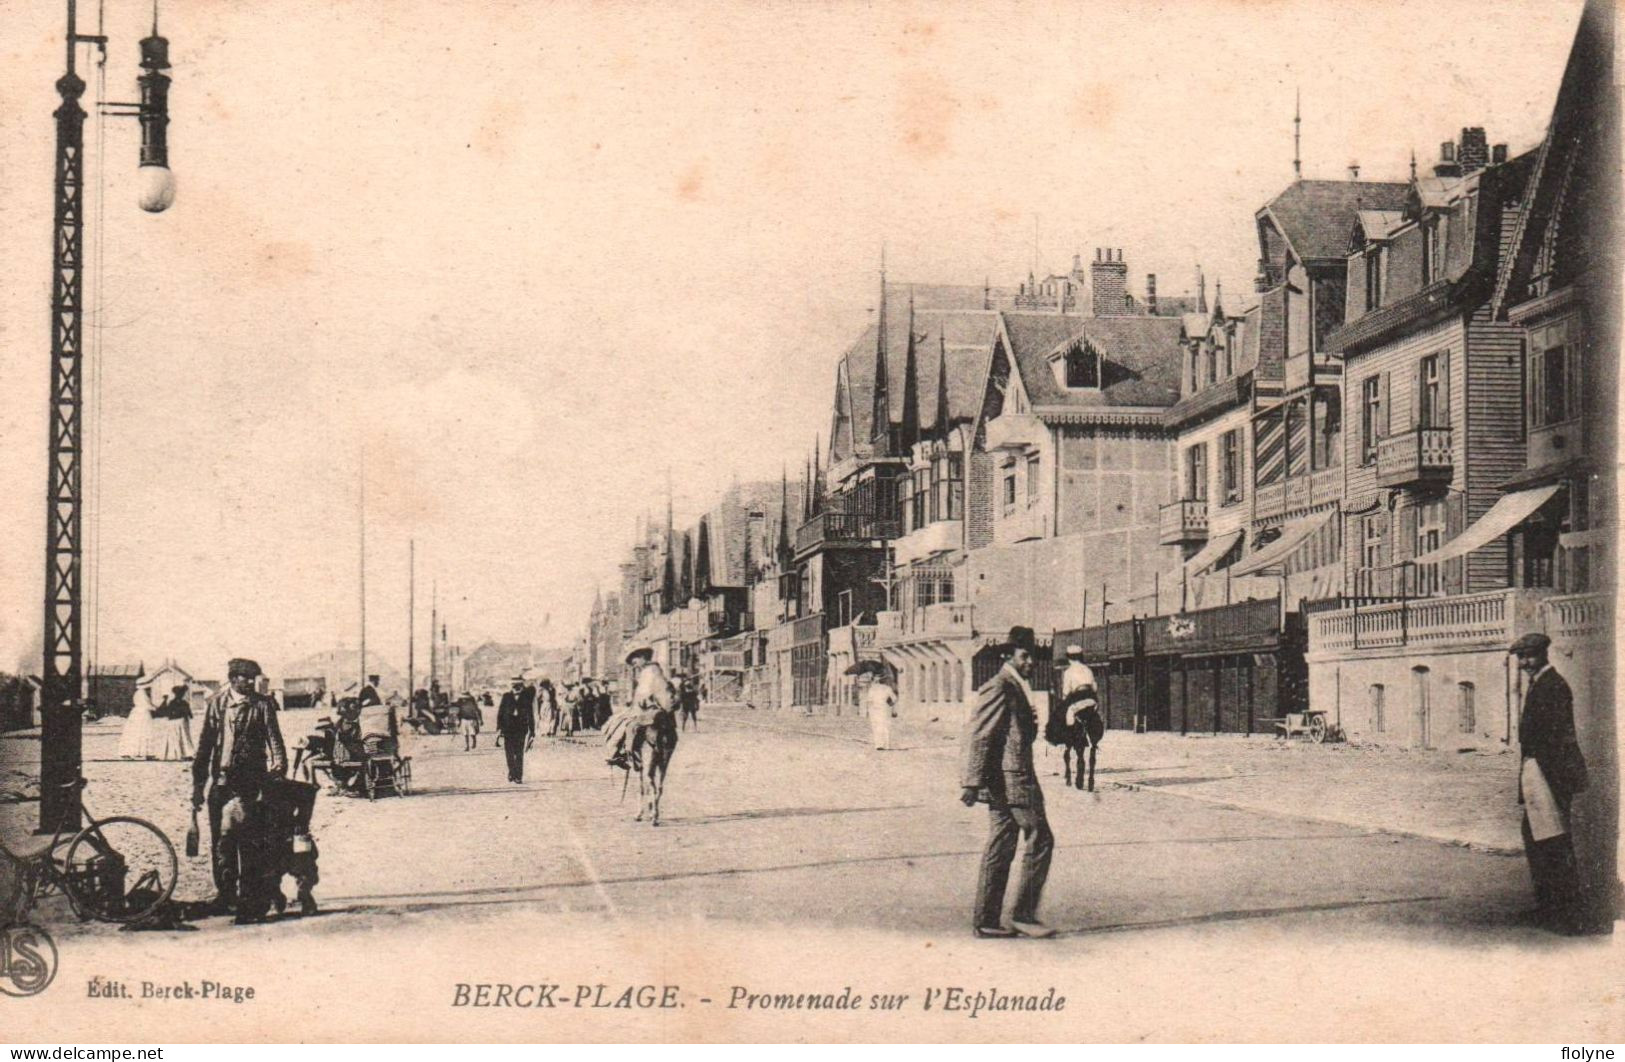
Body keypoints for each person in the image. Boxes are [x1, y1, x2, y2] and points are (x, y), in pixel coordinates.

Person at [960, 626, 1055, 939]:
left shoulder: (1015, 684)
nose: (1031, 663)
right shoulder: (1001, 685)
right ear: (1009, 656)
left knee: (1001, 845)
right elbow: (980, 733)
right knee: (1040, 838)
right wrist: (971, 781)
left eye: (1033, 657)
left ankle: (987, 920)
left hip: (1003, 779)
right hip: (1013, 780)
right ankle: (1023, 915)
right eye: (1024, 656)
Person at [191, 657, 289, 924]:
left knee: (249, 843)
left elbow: (275, 741)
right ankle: (225, 895)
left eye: (252, 678)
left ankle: (249, 898)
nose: (250, 682)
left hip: (250, 785)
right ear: (233, 678)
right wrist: (198, 785)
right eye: (245, 678)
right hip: (220, 784)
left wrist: (278, 767)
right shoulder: (216, 705)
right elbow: (204, 748)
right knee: (222, 844)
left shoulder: (263, 705)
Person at [1510, 632, 1595, 934]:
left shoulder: (1554, 686)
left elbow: (1558, 738)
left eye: (1529, 656)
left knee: (1554, 841)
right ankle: (1548, 907)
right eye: (1520, 657)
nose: (1524, 662)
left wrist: (1554, 781)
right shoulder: (1539, 685)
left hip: (1551, 773)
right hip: (1537, 770)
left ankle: (1569, 915)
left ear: (1544, 654)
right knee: (1536, 837)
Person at [496, 676, 535, 783]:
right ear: (511, 686)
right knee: (509, 753)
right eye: (514, 685)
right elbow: (500, 713)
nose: (516, 687)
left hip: (521, 728)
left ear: (522, 686)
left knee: (519, 753)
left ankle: (518, 776)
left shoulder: (526, 697)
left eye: (518, 685)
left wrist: (532, 730)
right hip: (507, 728)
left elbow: (530, 714)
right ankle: (512, 772)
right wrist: (499, 728)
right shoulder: (506, 696)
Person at [149, 684, 196, 760]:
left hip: (172, 723)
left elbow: (166, 713)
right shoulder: (185, 703)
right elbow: (190, 715)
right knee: (184, 738)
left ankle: (174, 754)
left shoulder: (171, 702)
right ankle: (186, 753)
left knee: (173, 739)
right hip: (182, 722)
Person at [862, 663, 898, 750]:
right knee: (885, 726)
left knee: (877, 726)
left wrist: (867, 711)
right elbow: (894, 698)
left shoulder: (873, 689)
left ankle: (879, 744)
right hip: (884, 708)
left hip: (875, 710)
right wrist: (891, 705)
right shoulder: (887, 688)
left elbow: (869, 701)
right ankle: (887, 745)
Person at [118, 685, 156, 759]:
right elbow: (147, 705)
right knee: (145, 732)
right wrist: (156, 708)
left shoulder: (138, 693)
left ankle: (140, 753)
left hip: (136, 714)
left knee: (135, 733)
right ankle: (147, 753)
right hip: (143, 715)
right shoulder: (142, 693)